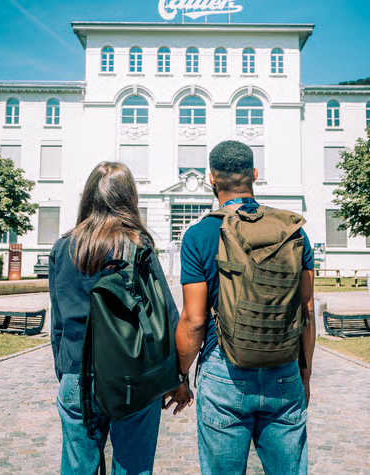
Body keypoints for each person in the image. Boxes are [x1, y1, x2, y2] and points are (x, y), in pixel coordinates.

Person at [167, 140, 316, 475]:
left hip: (224, 372)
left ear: (211, 180)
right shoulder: (293, 231)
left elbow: (193, 320)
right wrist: (304, 375)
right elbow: (307, 311)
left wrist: (179, 376)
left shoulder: (199, 234)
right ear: (255, 175)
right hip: (284, 368)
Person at [49, 161, 180, 475]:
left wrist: (67, 372)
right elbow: (168, 317)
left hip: (76, 374)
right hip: (132, 377)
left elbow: (57, 326)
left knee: (77, 469)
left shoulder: (63, 247)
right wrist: (177, 379)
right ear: (128, 198)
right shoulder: (137, 245)